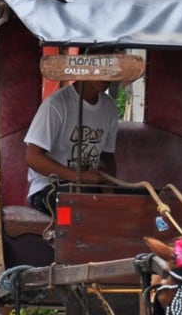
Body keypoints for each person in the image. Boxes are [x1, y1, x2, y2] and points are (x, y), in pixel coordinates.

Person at [24, 75, 119, 215]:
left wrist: (108, 188)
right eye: (100, 68)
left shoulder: (110, 107)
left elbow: (108, 158)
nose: (106, 74)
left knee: (133, 203)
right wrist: (78, 176)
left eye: (111, 69)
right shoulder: (56, 104)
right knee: (74, 213)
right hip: (48, 190)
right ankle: (69, 234)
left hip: (87, 189)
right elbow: (32, 157)